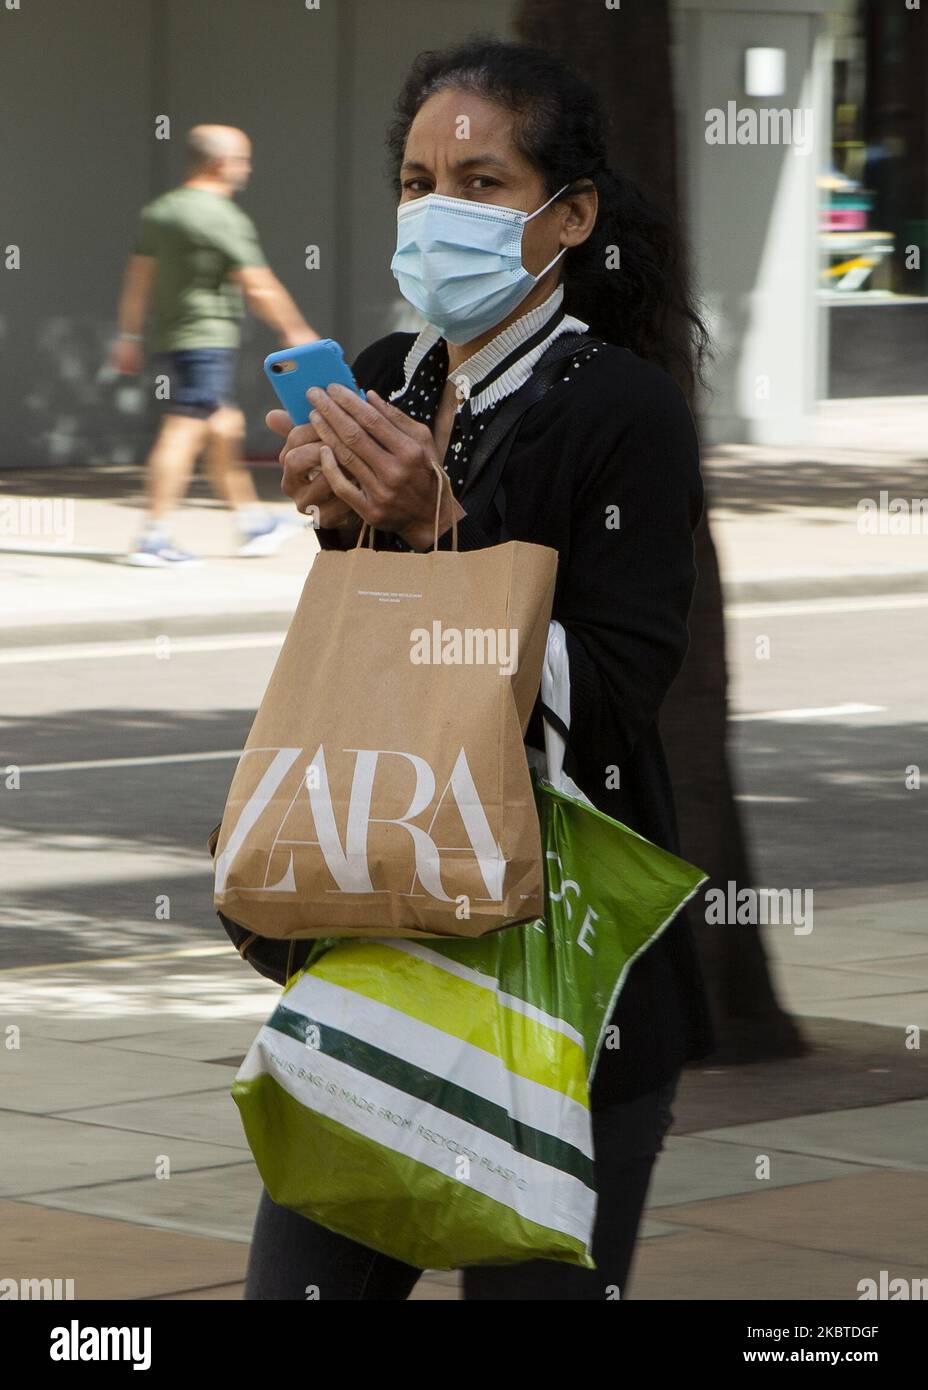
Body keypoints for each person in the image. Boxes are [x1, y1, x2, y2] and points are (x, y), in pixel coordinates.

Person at [247, 37, 714, 1300]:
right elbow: (374, 659)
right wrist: (341, 520)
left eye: (480, 181)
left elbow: (610, 702)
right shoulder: (390, 374)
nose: (434, 211)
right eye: (413, 181)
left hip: (558, 982)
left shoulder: (622, 409)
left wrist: (431, 527)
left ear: (570, 216)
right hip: (379, 939)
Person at [111, 124, 320, 566]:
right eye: (242, 159)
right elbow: (258, 285)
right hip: (205, 340)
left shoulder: (162, 211)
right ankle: (152, 536)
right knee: (184, 429)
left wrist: (129, 335)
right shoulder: (220, 216)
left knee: (224, 426)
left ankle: (251, 522)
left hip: (177, 339)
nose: (247, 168)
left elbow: (138, 277)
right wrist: (296, 331)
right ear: (220, 163)